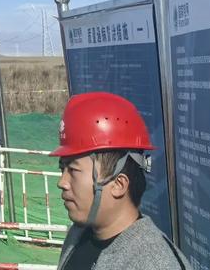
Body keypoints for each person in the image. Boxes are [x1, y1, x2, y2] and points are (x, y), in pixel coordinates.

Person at [52, 92, 190, 269]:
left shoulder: (154, 263)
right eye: (62, 169)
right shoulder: (78, 235)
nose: (62, 182)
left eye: (73, 170)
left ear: (119, 184)